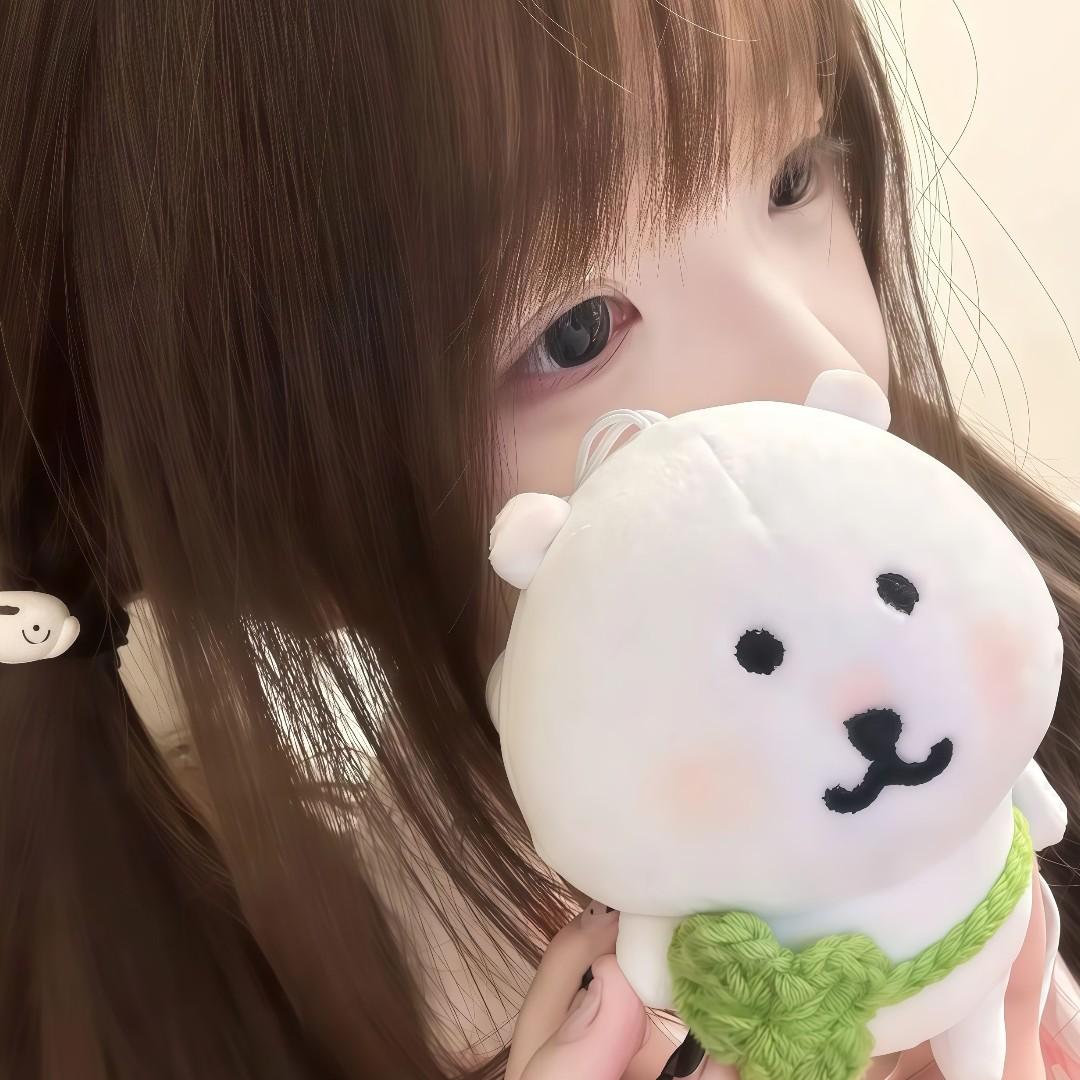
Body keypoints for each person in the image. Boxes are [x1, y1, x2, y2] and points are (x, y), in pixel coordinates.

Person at [1, 1, 1078, 1077]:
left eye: (793, 177)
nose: (819, 365)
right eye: (576, 330)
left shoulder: (1013, 640)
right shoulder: (406, 1002)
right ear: (270, 530)